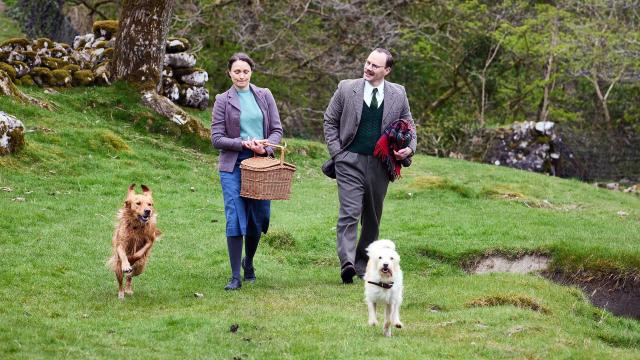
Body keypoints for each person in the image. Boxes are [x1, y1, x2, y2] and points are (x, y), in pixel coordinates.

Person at [323, 48, 416, 284]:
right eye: (367, 62)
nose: (368, 67)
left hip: (380, 164)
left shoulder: (398, 93)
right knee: (349, 212)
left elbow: (410, 125)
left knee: (372, 217)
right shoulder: (346, 87)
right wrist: (338, 154)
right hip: (349, 161)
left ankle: (362, 264)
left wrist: (409, 148)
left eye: (375, 65)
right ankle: (347, 263)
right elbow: (330, 120)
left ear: (387, 70)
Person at [211, 53, 283, 290]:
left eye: (245, 71)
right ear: (229, 73)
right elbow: (216, 138)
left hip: (261, 163)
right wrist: (242, 143)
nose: (241, 75)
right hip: (233, 165)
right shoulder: (222, 100)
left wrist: (265, 147)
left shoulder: (265, 95)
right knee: (235, 216)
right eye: (237, 71)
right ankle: (234, 276)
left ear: (251, 72)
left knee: (257, 218)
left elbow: (276, 130)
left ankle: (248, 263)